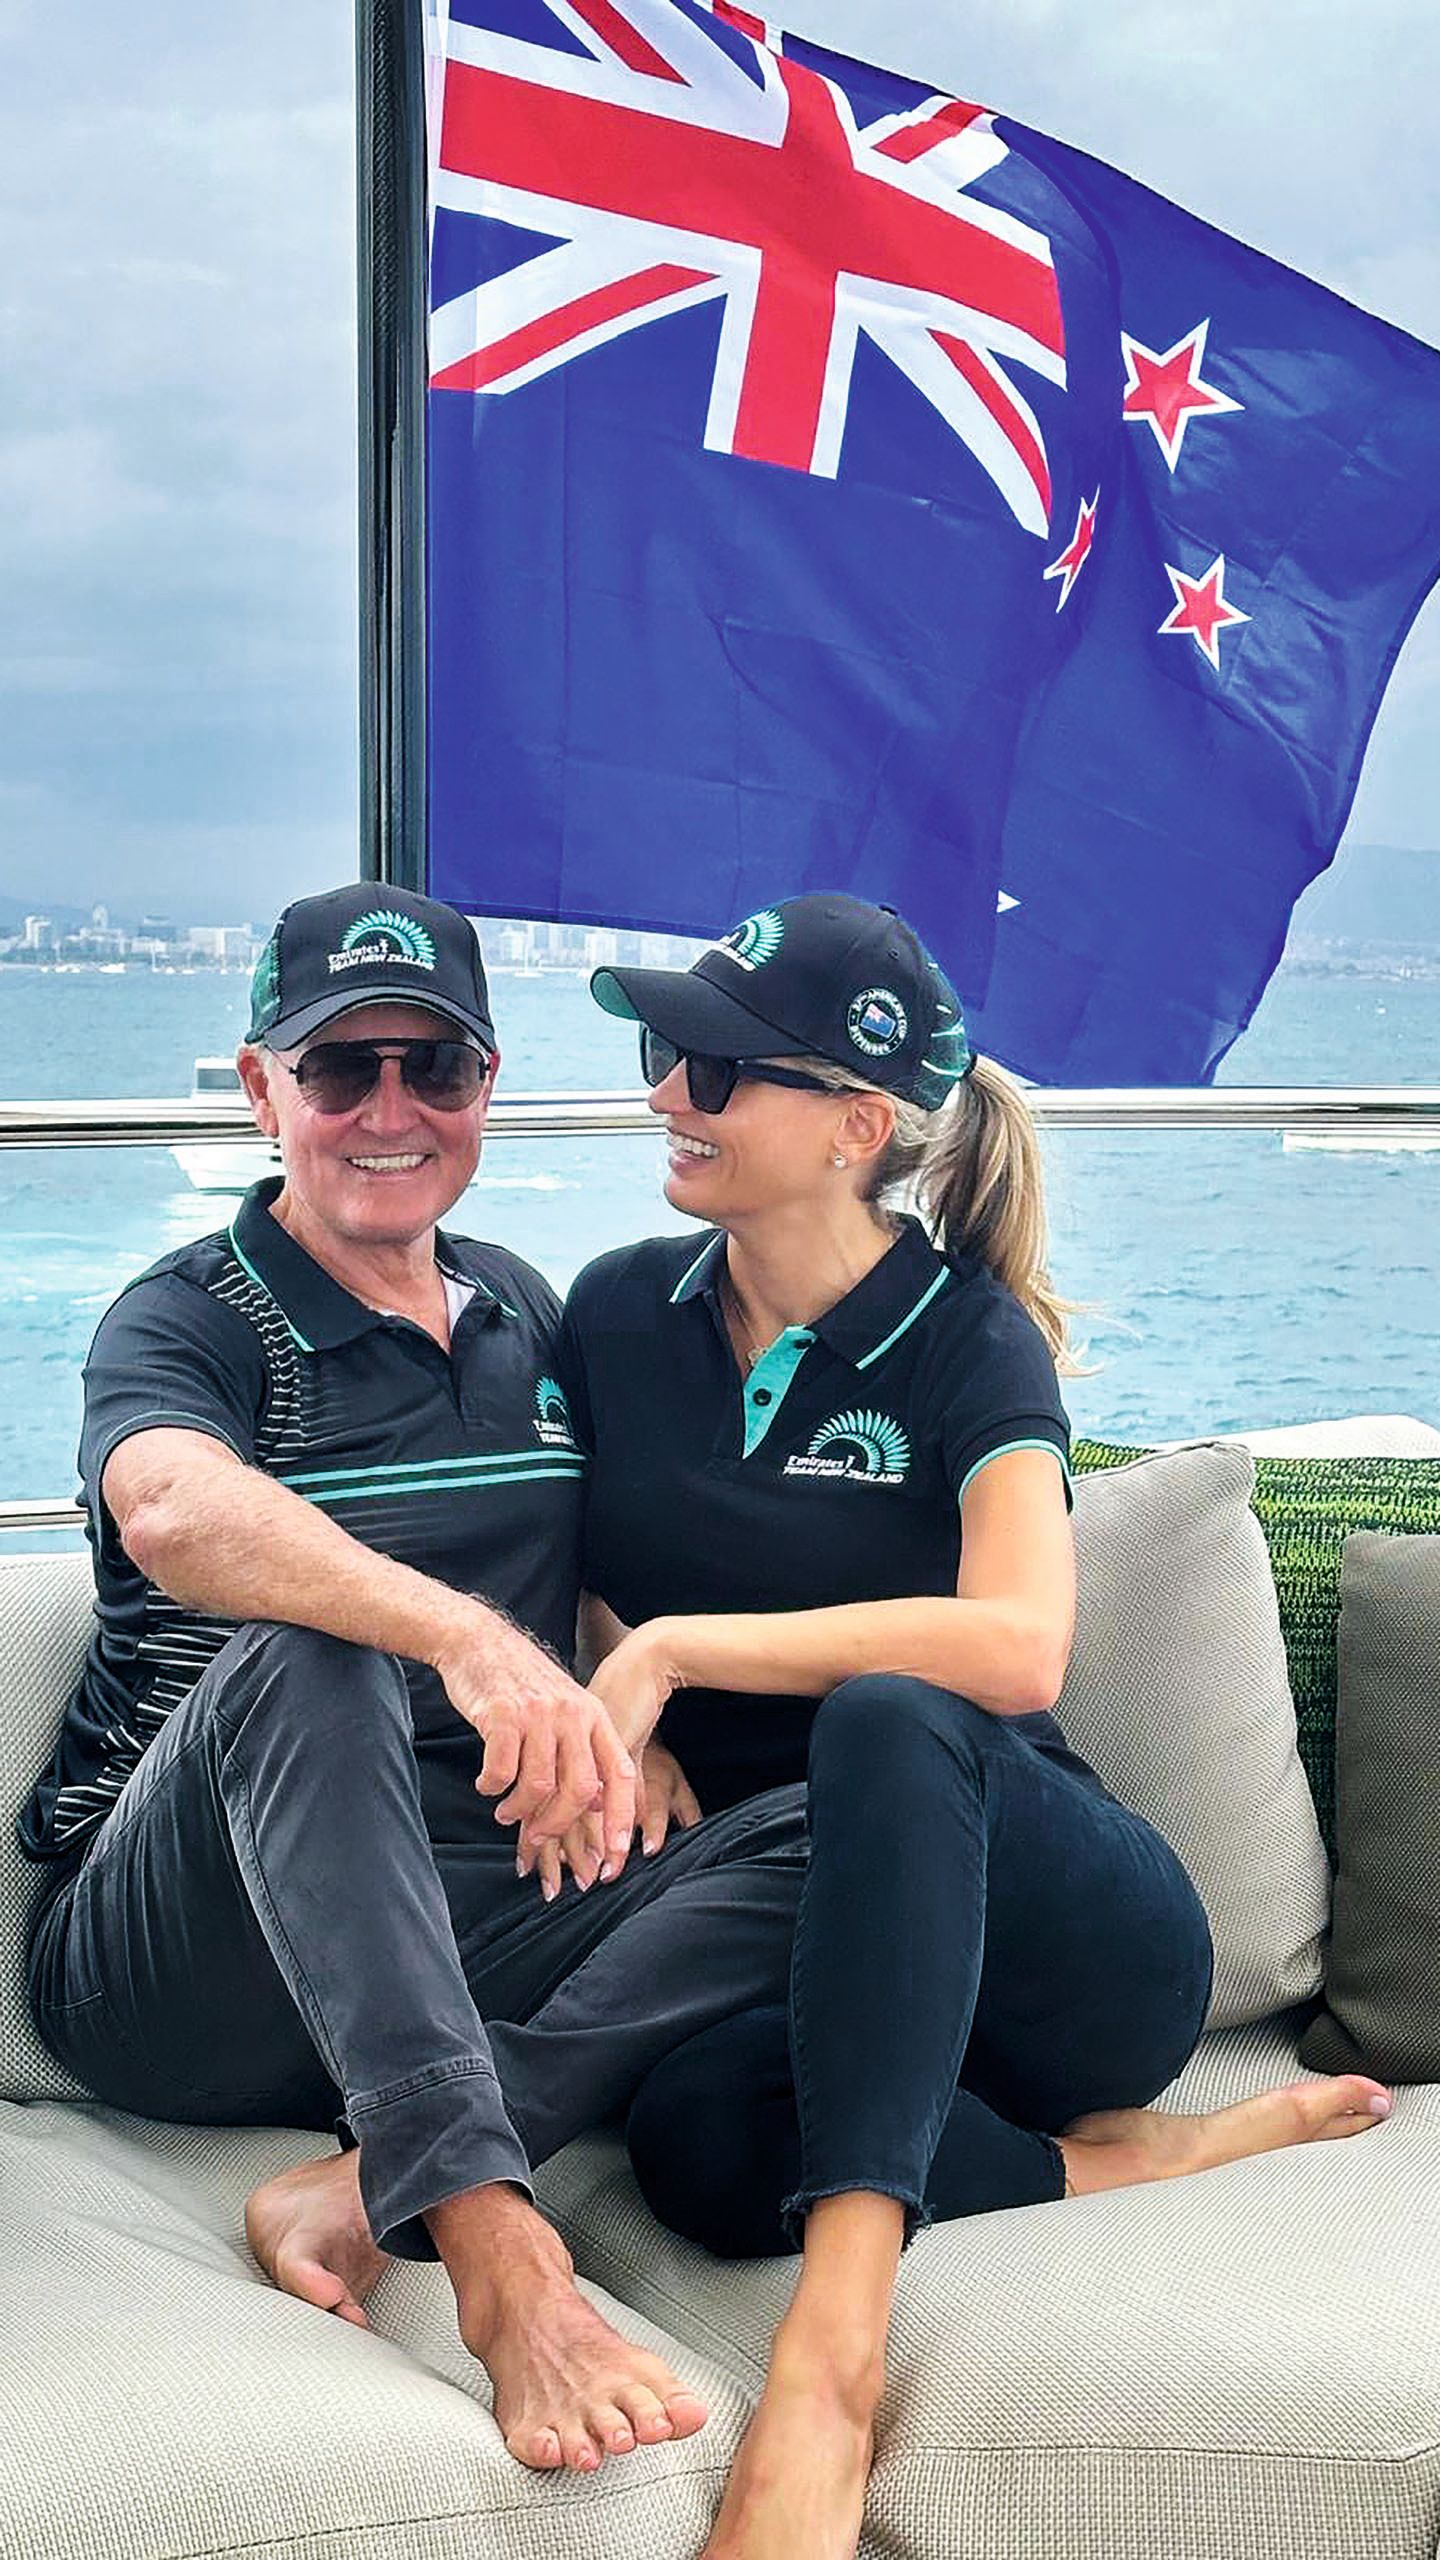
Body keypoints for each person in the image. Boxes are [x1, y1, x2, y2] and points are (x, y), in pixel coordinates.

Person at [539, 890, 1394, 2560]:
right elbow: (574, 1565)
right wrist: (620, 1690)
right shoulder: (617, 1311)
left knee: (888, 1711)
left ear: (857, 1123)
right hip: (831, 1969)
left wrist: (680, 1655)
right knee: (698, 2151)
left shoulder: (967, 1347)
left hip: (1065, 1952)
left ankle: (833, 2372)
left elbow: (1018, 1642)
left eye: (712, 1069)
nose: (663, 1095)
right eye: (662, 1053)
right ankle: (1153, 2165)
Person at [18, 880, 840, 2478]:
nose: (389, 1110)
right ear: (264, 1092)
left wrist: (622, 1699)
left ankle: (356, 2173)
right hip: (182, 1957)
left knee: (871, 1789)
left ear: (486, 1090)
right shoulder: (193, 1317)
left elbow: (595, 1555)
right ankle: (496, 2249)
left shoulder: (526, 1307)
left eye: (435, 1068)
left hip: (463, 1930)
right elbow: (173, 1509)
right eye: (340, 1069)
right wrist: (463, 1636)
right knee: (313, 1654)